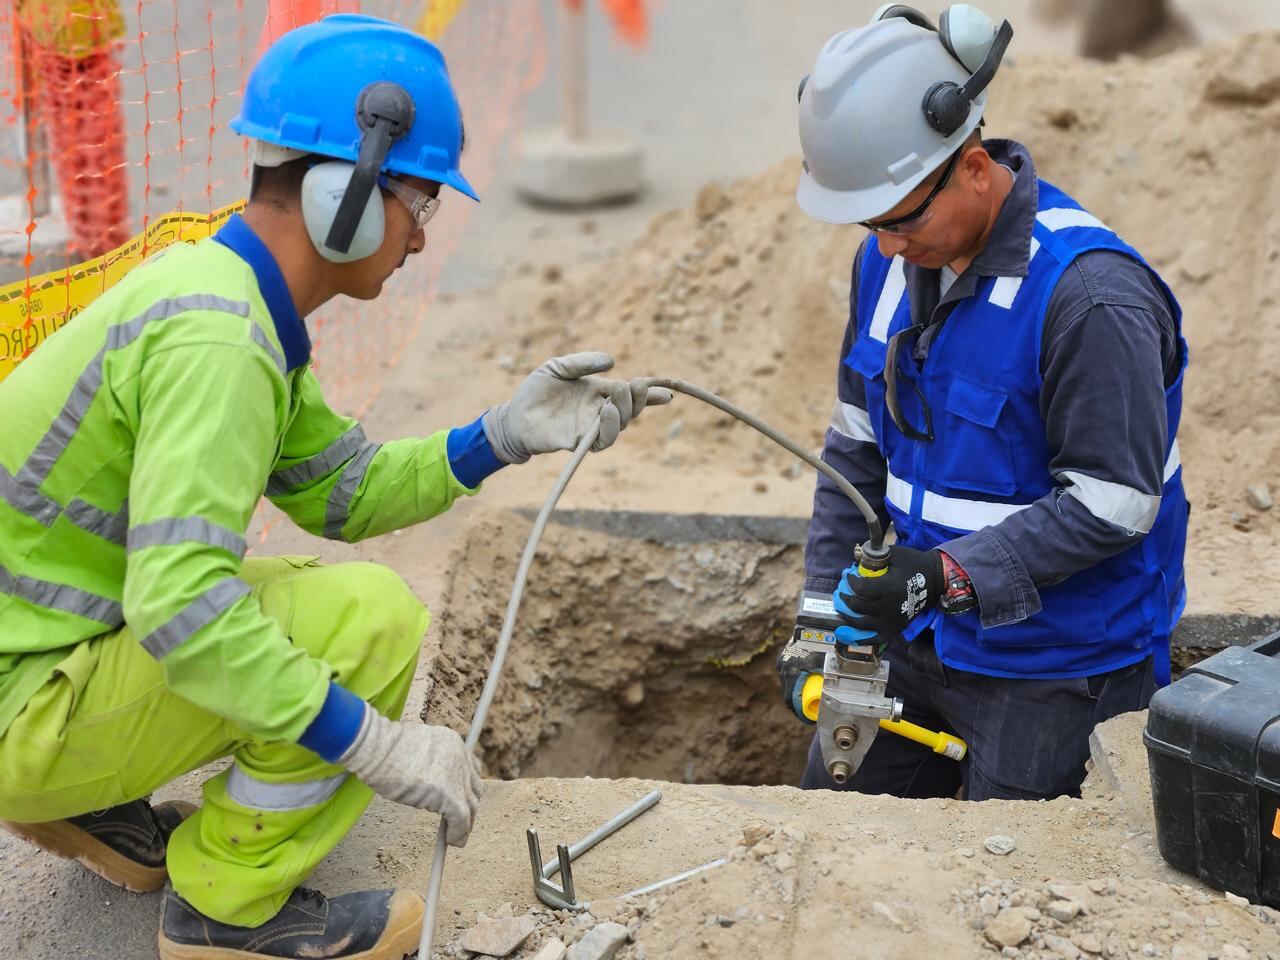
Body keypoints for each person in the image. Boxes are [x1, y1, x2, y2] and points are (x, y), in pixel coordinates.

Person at [0, 14, 668, 960]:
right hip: (19, 706)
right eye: (421, 203)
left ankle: (94, 804)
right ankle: (224, 912)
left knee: (303, 601)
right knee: (369, 624)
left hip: (32, 662)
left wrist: (499, 438)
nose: (421, 240)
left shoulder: (225, 300)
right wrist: (374, 744)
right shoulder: (222, 343)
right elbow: (183, 609)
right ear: (342, 196)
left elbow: (342, 493)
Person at [778, 5, 1187, 802]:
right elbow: (853, 452)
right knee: (832, 837)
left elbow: (1114, 504)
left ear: (972, 166)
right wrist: (822, 620)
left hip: (1059, 668)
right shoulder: (886, 263)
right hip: (920, 641)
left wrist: (943, 575)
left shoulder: (1091, 301)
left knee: (1002, 882)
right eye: (872, 223)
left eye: (902, 219)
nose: (887, 245)